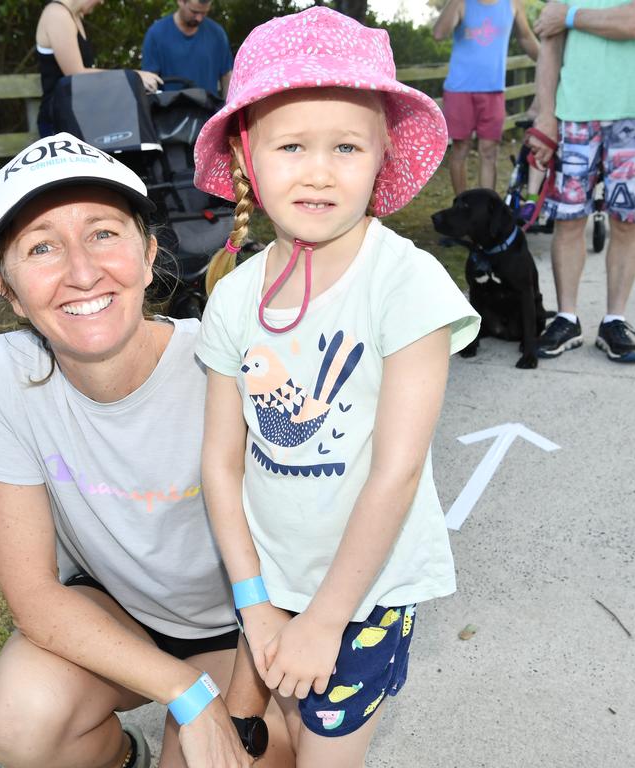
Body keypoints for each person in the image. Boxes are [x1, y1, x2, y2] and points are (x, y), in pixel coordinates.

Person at [193, 8, 481, 766]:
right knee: (252, 735)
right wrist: (257, 605)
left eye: (346, 147)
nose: (318, 171)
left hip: (366, 592)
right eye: (291, 146)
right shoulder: (231, 299)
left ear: (382, 156)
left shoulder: (406, 284)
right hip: (267, 579)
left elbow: (398, 470)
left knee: (327, 752)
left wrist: (326, 618)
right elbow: (222, 465)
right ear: (247, 155)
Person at [0, 133, 293, 768]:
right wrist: (185, 694)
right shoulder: (6, 375)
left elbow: (300, 564)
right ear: (7, 289)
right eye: (42, 247)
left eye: (104, 233)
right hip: (119, 612)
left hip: (244, 629)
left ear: (149, 252)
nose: (81, 271)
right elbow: (33, 595)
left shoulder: (225, 364)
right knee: (23, 721)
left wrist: (236, 709)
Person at [528, 0, 635, 364]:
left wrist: (572, 16)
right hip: (574, 112)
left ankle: (614, 321)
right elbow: (550, 42)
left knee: (626, 221)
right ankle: (566, 319)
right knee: (568, 218)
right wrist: (545, 115)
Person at [433, 0, 539, 194]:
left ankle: (486, 212)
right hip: (460, 89)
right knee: (461, 148)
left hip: (494, 89)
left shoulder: (512, 3)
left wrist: (553, 62)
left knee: (489, 151)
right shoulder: (462, 3)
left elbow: (525, 37)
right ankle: (463, 208)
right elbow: (439, 33)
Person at [35, 0, 163, 136]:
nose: (102, 2)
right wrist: (133, 77)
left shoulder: (75, 16)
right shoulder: (57, 15)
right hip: (58, 120)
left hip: (80, 115)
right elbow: (75, 74)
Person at [142, 0, 234, 97]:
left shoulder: (217, 34)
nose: (199, 18)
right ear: (180, 2)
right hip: (170, 108)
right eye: (194, 12)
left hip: (209, 109)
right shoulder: (156, 34)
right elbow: (150, 81)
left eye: (204, 13)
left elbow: (227, 76)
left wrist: (231, 108)